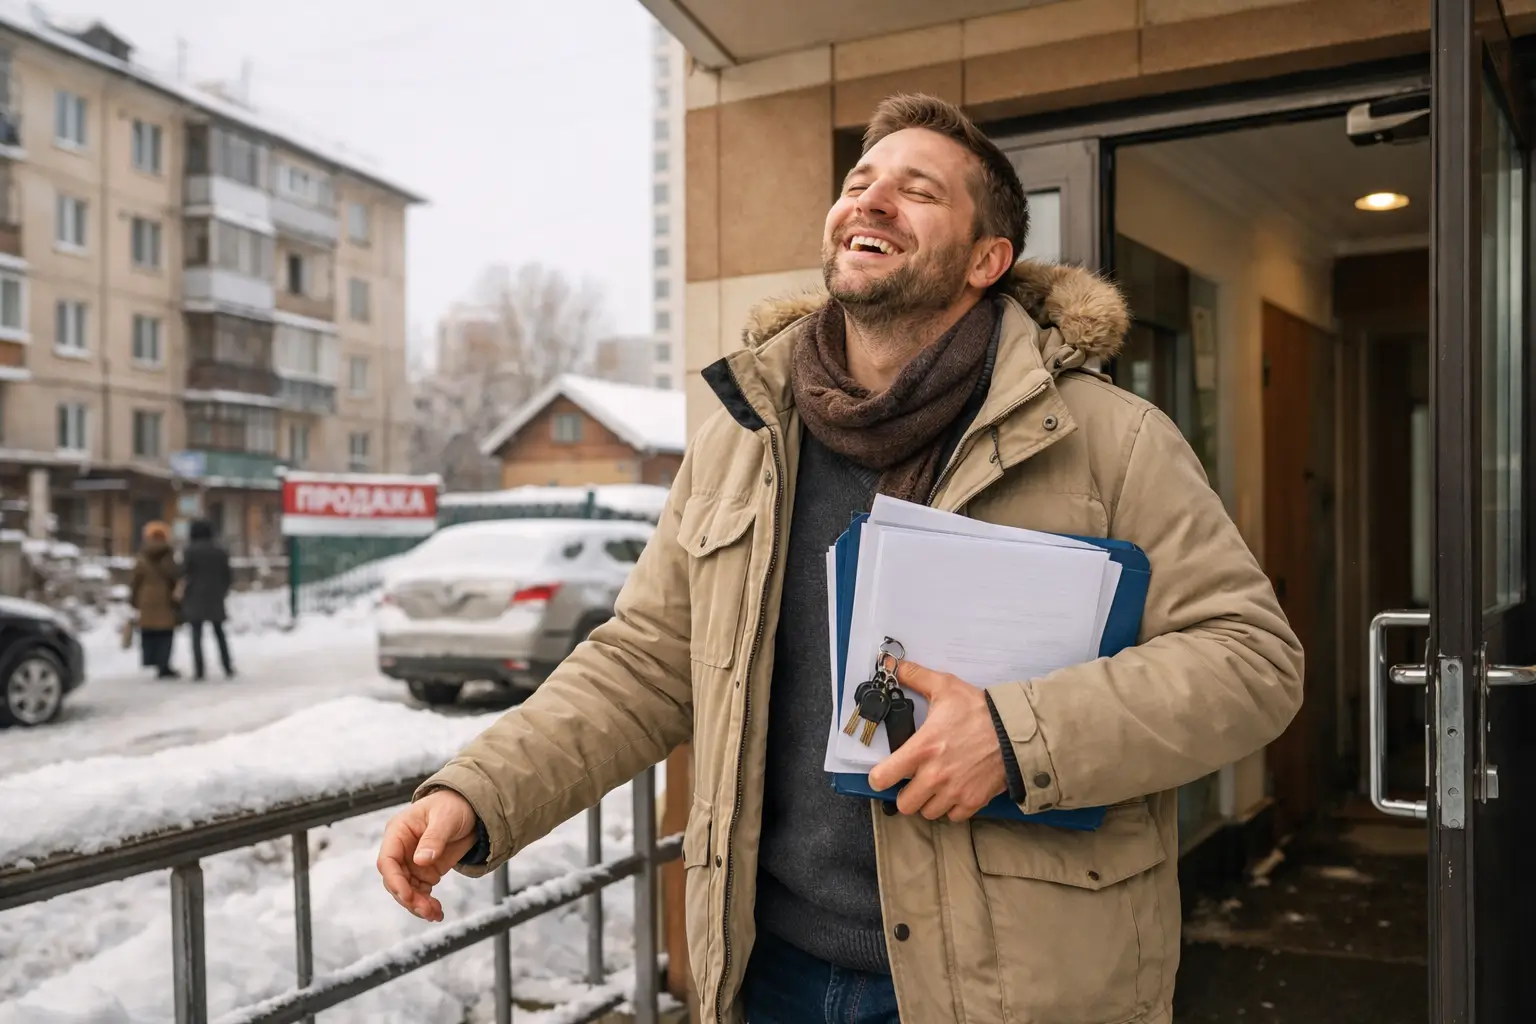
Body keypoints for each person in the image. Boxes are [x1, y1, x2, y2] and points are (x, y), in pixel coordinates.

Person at [378, 94, 1304, 1023]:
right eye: (859, 182)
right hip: (768, 970)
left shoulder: (1111, 438)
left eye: (917, 191)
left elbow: (1251, 659)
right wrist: (481, 789)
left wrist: (1020, 737)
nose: (870, 200)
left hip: (1011, 987)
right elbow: (645, 662)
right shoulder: (741, 439)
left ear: (988, 260)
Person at [180, 518, 235, 680]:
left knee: (196, 634)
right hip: (215, 596)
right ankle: (227, 666)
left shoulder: (190, 551)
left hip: (195, 596)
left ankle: (199, 669)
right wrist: (222, 591)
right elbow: (228, 575)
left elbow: (184, 573)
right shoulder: (220, 551)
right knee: (219, 632)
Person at [129, 520, 181, 680]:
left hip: (146, 597)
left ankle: (150, 660)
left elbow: (135, 580)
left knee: (149, 630)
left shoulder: (142, 556)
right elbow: (174, 576)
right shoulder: (169, 555)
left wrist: (133, 599)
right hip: (165, 598)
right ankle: (164, 665)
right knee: (165, 633)